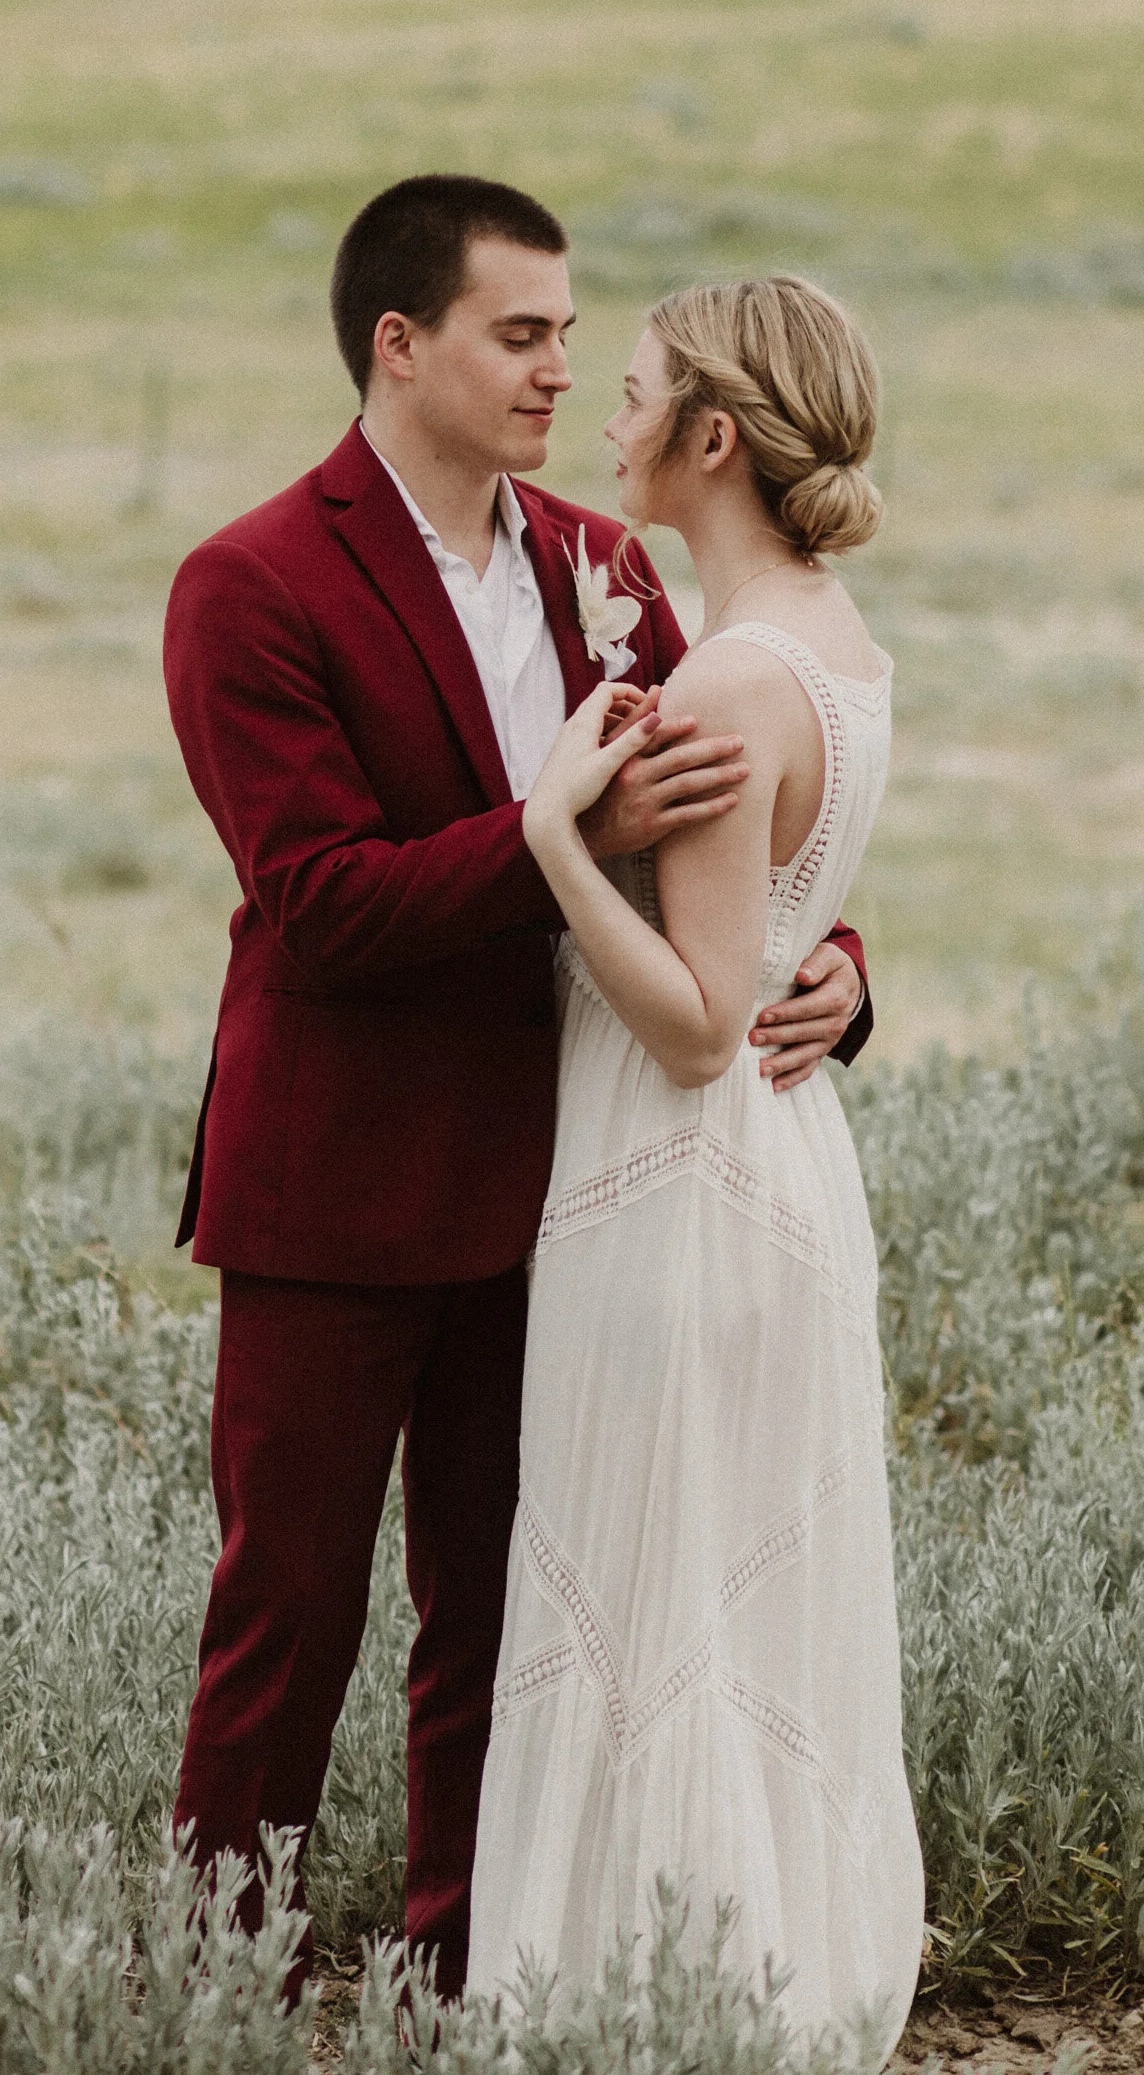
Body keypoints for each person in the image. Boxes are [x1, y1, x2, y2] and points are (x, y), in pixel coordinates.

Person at [162, 176, 876, 1997]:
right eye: (522, 333)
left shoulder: (610, 568)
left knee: (498, 1622)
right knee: (286, 1619)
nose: (563, 367)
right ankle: (205, 1982)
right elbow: (316, 908)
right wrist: (558, 828)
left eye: (574, 335)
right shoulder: (249, 585)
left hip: (566, 1189)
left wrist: (835, 970)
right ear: (401, 346)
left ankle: (461, 1976)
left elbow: (723, 848)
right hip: (333, 1192)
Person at [466, 275, 924, 2050]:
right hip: (778, 1181)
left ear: (712, 436)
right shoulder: (831, 635)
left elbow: (696, 1014)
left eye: (636, 387)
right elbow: (786, 924)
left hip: (677, 1186)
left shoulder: (736, 672)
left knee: (658, 1617)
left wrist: (551, 845)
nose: (603, 410)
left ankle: (654, 2014)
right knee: (732, 1615)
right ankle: (734, 1989)